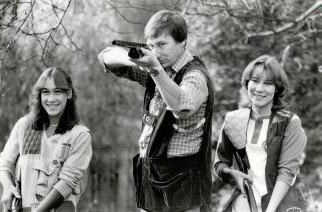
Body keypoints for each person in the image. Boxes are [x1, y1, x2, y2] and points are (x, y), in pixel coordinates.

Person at [98, 10, 214, 212]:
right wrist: (134, 60)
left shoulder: (196, 75)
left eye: (162, 44)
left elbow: (181, 106)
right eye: (152, 46)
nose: (157, 52)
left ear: (183, 42)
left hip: (183, 184)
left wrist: (154, 68)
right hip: (151, 176)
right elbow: (105, 57)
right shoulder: (156, 67)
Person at [214, 55, 307, 212]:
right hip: (244, 203)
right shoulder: (234, 119)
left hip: (279, 204)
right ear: (247, 83)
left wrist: (269, 210)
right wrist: (232, 174)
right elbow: (219, 163)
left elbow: (287, 172)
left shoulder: (289, 122)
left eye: (268, 83)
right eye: (255, 81)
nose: (259, 89)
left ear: (277, 88)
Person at [0, 67, 92, 212]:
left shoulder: (80, 135)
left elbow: (66, 183)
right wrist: (8, 187)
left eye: (57, 92)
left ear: (69, 94)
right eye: (45, 92)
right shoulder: (24, 126)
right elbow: (4, 165)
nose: (51, 99)